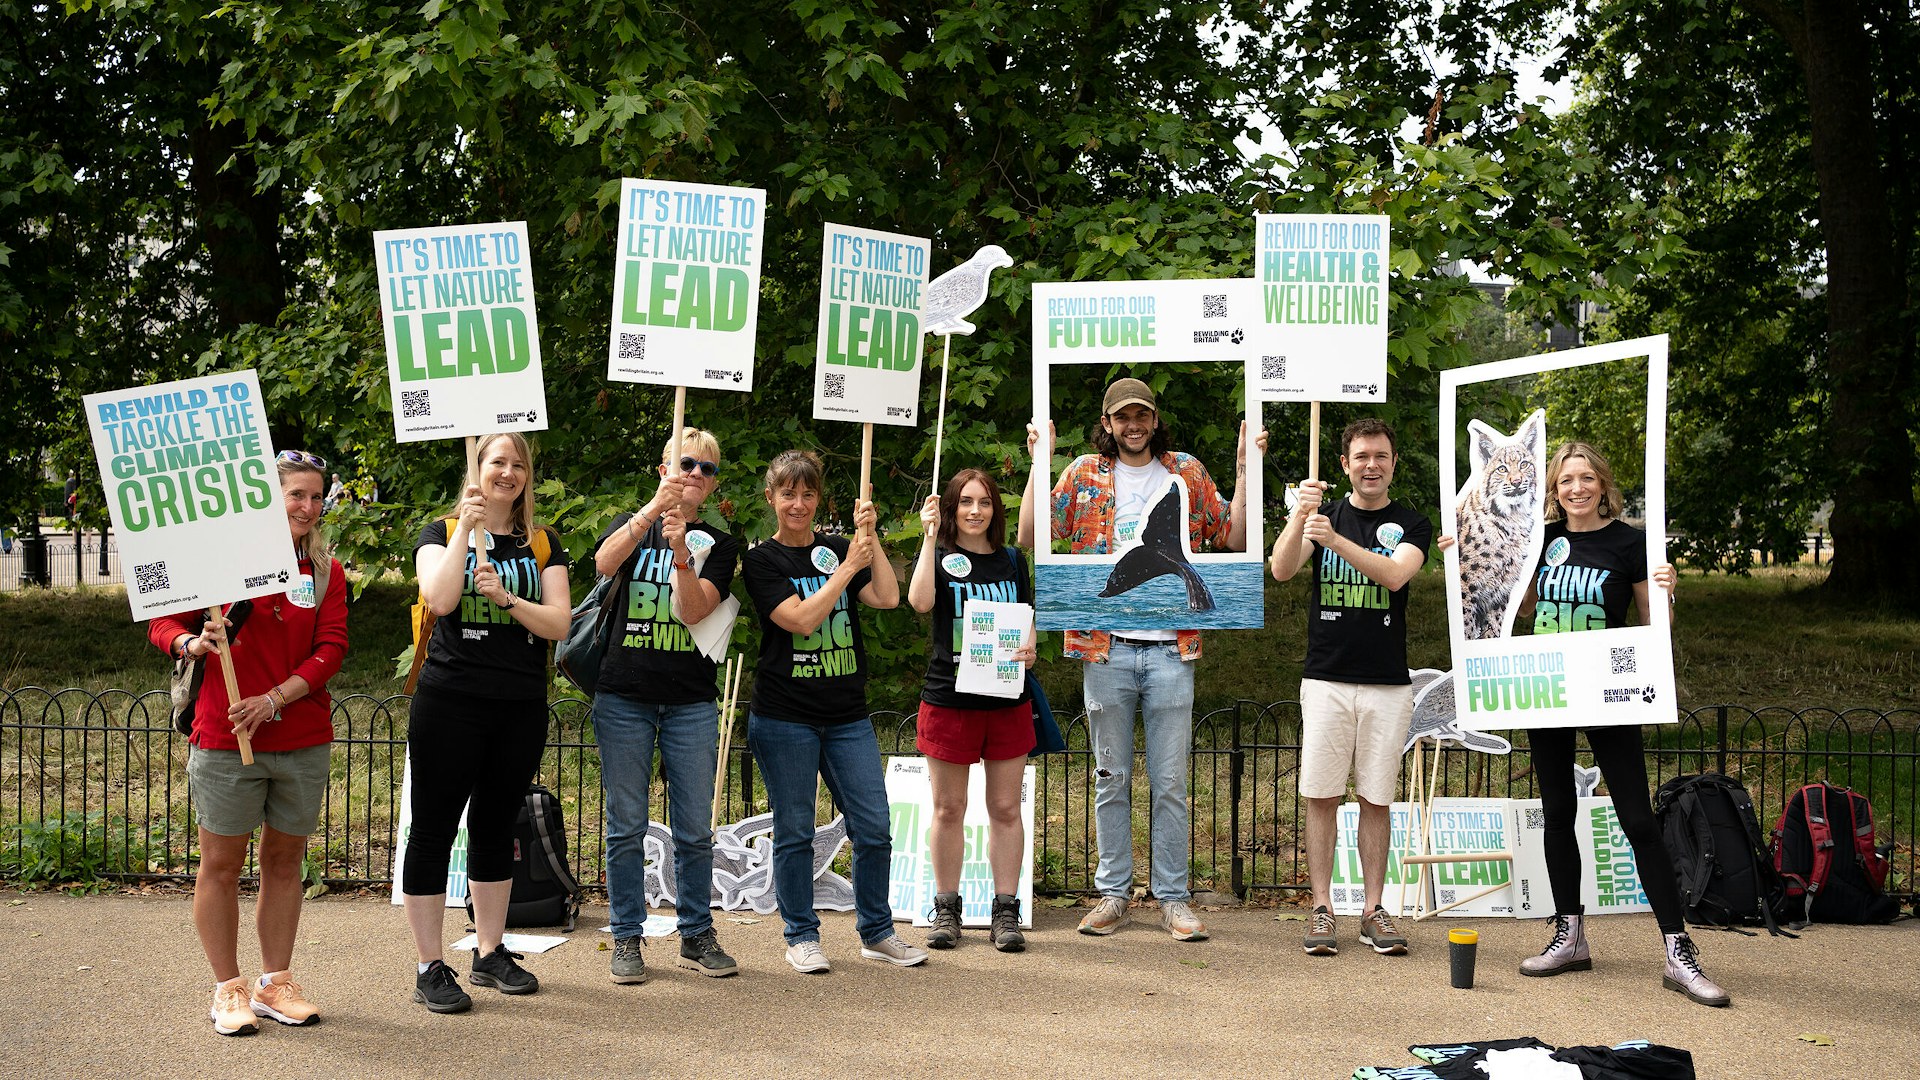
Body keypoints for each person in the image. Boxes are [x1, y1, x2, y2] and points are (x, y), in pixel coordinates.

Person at [1016, 377, 1264, 941]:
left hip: (1172, 649)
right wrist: (1038, 461)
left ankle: (1173, 897)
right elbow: (1033, 534)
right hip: (1104, 649)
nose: (1133, 426)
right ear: (1107, 423)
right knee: (1110, 777)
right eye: (1122, 417)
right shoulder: (1081, 474)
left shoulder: (1187, 472)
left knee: (1171, 780)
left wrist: (1247, 469)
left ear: (1154, 420)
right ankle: (1113, 893)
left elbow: (1233, 537)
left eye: (1142, 416)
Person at [1495, 440, 1728, 1006]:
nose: (1575, 488)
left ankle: (1678, 949)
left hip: (1607, 690)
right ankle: (1569, 935)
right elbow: (1521, 610)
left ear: (1603, 483)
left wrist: (1669, 595)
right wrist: (1479, 565)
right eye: (1565, 480)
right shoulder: (1543, 539)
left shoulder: (1632, 542)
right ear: (1553, 489)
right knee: (1558, 814)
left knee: (1638, 821)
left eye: (1585, 478)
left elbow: (1655, 629)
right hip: (1546, 688)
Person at [148, 448, 348, 1036]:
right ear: (267, 497)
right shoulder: (215, 565)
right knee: (220, 865)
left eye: (316, 496)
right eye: (296, 495)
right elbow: (163, 622)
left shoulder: (326, 572)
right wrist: (192, 644)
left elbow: (331, 648)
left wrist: (275, 699)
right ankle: (228, 989)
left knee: (285, 862)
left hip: (302, 736)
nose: (308, 507)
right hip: (224, 733)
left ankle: (275, 983)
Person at [401, 432, 572, 1014]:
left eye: (518, 463)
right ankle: (429, 965)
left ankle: (490, 950)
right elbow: (441, 599)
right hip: (450, 701)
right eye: (497, 461)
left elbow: (558, 624)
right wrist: (465, 534)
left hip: (519, 704)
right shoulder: (441, 532)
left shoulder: (544, 543)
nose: (508, 472)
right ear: (477, 466)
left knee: (497, 826)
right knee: (432, 828)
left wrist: (506, 601)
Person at [741, 449, 926, 973]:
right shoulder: (762, 561)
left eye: (807, 493)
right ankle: (801, 935)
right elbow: (799, 620)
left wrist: (869, 539)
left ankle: (877, 931)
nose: (798, 504)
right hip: (784, 717)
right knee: (796, 831)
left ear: (819, 497)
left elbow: (888, 597)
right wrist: (848, 567)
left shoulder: (839, 547)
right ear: (771, 498)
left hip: (847, 715)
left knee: (874, 827)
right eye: (788, 494)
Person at [1269, 418, 1431, 958]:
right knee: (1321, 795)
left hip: (1387, 682)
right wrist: (1300, 517)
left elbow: (1394, 575)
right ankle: (1321, 908)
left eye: (1381, 456)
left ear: (1393, 463)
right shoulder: (1322, 516)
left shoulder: (1411, 522)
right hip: (1327, 677)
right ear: (1344, 464)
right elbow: (1282, 569)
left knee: (1375, 798)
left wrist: (1334, 538)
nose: (1371, 465)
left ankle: (1372, 910)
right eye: (1361, 456)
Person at [589, 428, 739, 984]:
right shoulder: (638, 523)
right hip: (624, 694)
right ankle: (627, 937)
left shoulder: (722, 545)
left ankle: (696, 932)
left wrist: (680, 551)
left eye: (707, 468)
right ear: (663, 469)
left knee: (695, 828)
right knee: (625, 824)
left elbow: (696, 611)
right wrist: (655, 514)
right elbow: (604, 564)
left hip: (690, 701)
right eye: (686, 464)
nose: (696, 474)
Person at [907, 468, 1036, 953]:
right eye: (965, 502)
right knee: (948, 808)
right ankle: (946, 910)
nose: (975, 510)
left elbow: (1026, 620)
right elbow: (920, 602)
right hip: (949, 700)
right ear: (950, 509)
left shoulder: (1012, 561)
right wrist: (928, 539)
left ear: (994, 509)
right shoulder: (939, 558)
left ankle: (1005, 912)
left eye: (984, 502)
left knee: (1005, 808)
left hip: (1006, 701)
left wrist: (1030, 648)